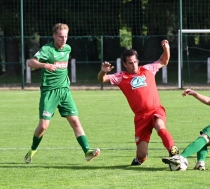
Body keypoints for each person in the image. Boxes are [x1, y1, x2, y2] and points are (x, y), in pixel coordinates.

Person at [24, 23, 100, 164]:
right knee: (43, 127)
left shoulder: (68, 48)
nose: (64, 39)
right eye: (60, 37)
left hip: (65, 91)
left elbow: (62, 67)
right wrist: (44, 65)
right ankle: (32, 150)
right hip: (49, 92)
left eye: (66, 36)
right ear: (54, 35)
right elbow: (30, 63)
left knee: (75, 121)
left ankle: (87, 151)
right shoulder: (47, 49)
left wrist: (66, 78)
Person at [97, 40, 179, 165]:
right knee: (141, 153)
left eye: (135, 62)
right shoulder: (121, 77)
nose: (134, 65)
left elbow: (164, 61)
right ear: (125, 64)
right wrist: (103, 71)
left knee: (160, 127)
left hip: (156, 110)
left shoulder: (147, 69)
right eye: (130, 63)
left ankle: (174, 153)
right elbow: (102, 79)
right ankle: (140, 159)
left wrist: (166, 48)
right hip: (141, 117)